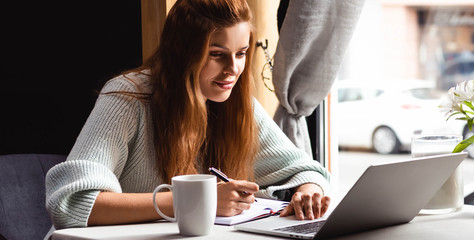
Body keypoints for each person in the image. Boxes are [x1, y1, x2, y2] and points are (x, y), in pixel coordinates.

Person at [45, 0, 330, 229]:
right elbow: (73, 204)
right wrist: (197, 200)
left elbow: (306, 170)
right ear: (183, 52)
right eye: (217, 54)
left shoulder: (235, 102)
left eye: (241, 53)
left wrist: (308, 192)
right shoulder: (126, 96)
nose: (233, 69)